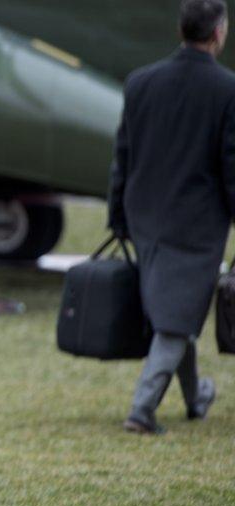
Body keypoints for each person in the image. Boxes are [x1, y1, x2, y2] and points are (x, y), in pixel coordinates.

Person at [109, 0, 233, 434]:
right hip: (196, 223)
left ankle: (196, 396)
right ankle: (141, 410)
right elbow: (231, 166)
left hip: (144, 215)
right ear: (218, 33)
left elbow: (122, 157)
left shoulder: (140, 82)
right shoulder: (227, 89)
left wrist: (116, 214)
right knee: (176, 319)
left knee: (179, 309)